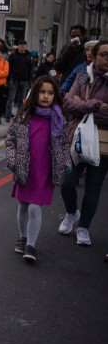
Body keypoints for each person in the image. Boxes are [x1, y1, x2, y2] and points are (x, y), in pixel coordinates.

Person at [5, 76, 69, 262]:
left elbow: (64, 143)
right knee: (23, 204)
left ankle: (31, 245)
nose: (46, 96)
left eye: (50, 93)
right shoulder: (23, 117)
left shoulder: (59, 118)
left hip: (45, 171)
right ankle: (22, 237)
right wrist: (13, 161)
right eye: (42, 92)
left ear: (55, 95)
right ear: (34, 94)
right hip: (25, 168)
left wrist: (65, 161)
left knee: (35, 207)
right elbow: (10, 140)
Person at [57, 40, 108, 247]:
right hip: (78, 138)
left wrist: (82, 106)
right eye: (104, 54)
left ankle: (83, 226)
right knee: (67, 181)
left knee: (93, 187)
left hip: (103, 141)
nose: (107, 59)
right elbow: (67, 103)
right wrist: (96, 105)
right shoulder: (82, 76)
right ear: (94, 56)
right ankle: (71, 213)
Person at [5, 40, 33, 122]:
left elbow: (31, 69)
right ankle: (8, 115)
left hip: (24, 80)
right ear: (18, 46)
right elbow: (9, 68)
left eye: (24, 45)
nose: (22, 46)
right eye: (21, 45)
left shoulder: (28, 56)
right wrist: (8, 79)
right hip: (14, 79)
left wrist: (30, 80)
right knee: (11, 98)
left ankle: (19, 115)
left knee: (21, 100)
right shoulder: (13, 55)